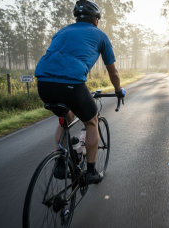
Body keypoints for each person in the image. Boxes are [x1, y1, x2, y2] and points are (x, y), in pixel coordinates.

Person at [34, 0, 126, 185]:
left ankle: (60, 164)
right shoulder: (100, 35)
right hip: (71, 84)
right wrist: (118, 91)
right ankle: (91, 172)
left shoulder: (61, 32)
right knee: (92, 121)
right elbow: (113, 72)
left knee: (66, 117)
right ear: (96, 20)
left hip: (43, 83)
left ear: (77, 19)